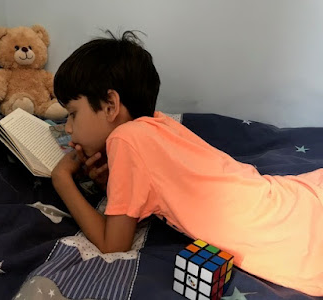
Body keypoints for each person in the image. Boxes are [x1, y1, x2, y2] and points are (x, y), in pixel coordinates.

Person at [51, 30, 323, 296]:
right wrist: (109, 182)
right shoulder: (158, 122)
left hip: (289, 232)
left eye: (73, 114)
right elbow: (156, 188)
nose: (68, 128)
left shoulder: (124, 139)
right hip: (288, 196)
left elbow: (113, 245)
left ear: (111, 104)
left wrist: (62, 179)